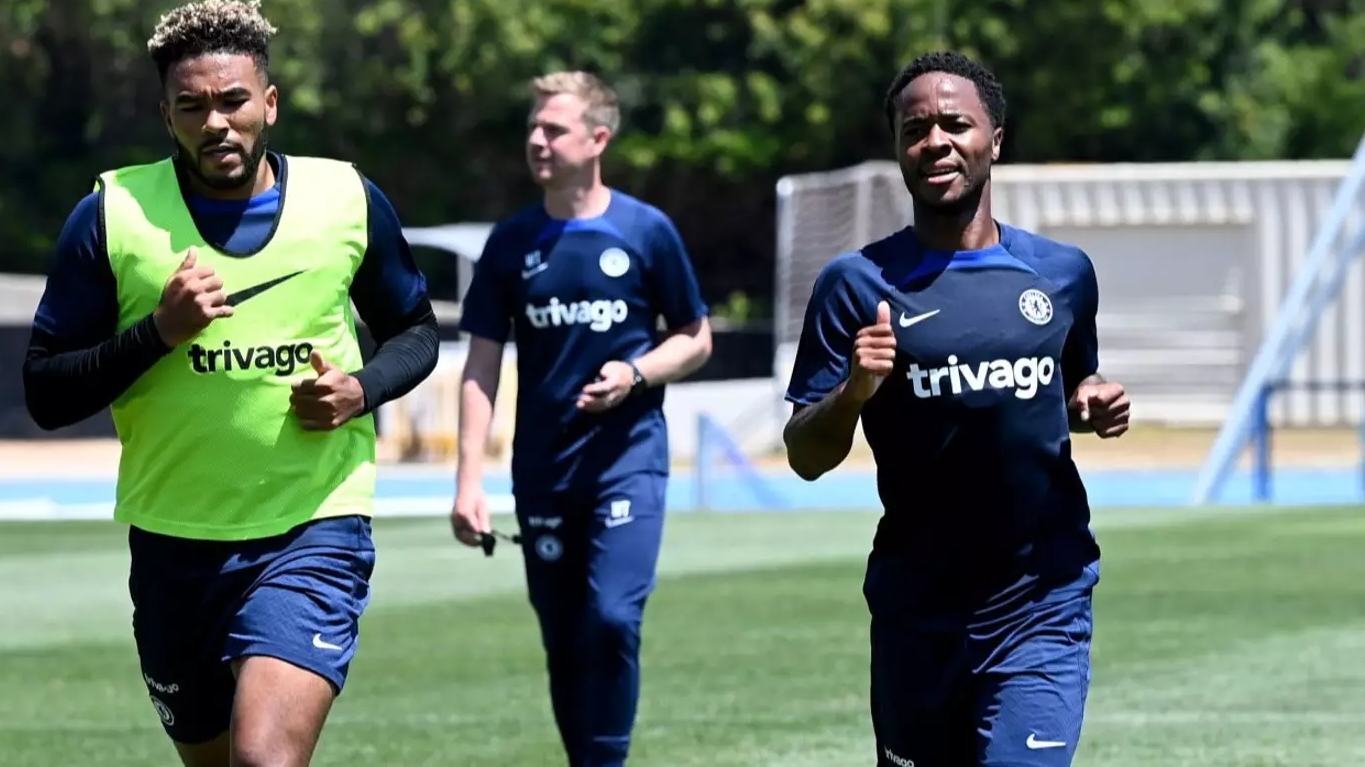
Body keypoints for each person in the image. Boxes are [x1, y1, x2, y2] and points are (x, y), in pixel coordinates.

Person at [20, 0, 440, 767]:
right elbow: (45, 394)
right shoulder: (111, 215)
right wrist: (158, 333)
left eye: (234, 101)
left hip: (313, 526)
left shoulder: (344, 199)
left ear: (269, 104)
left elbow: (416, 331)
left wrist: (361, 388)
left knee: (265, 760)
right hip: (176, 542)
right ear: (166, 115)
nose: (216, 123)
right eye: (192, 106)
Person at [782, 51, 1131, 767]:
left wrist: (1088, 400)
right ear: (900, 150)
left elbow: (1066, 385)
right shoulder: (854, 286)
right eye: (916, 130)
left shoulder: (1061, 274)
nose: (935, 141)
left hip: (1044, 601)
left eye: (955, 124)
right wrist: (853, 391)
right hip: (920, 611)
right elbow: (806, 456)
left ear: (995, 139)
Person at [450, 71, 712, 767]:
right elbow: (480, 366)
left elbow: (695, 337)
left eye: (553, 128)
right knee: (563, 638)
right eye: (533, 127)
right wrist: (467, 480)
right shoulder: (510, 244)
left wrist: (635, 374)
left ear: (599, 138)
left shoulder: (646, 230)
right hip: (542, 470)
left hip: (627, 460)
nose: (537, 140)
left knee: (612, 618)